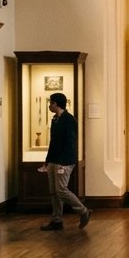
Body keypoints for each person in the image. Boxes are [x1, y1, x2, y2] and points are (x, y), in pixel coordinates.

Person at [39, 92, 90, 231]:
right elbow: (53, 142)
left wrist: (62, 161)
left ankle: (83, 211)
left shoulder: (69, 119)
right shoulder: (55, 119)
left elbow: (70, 142)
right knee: (54, 191)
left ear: (56, 104)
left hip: (64, 161)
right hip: (54, 160)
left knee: (61, 190)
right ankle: (57, 220)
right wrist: (48, 161)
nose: (50, 105)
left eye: (51, 103)